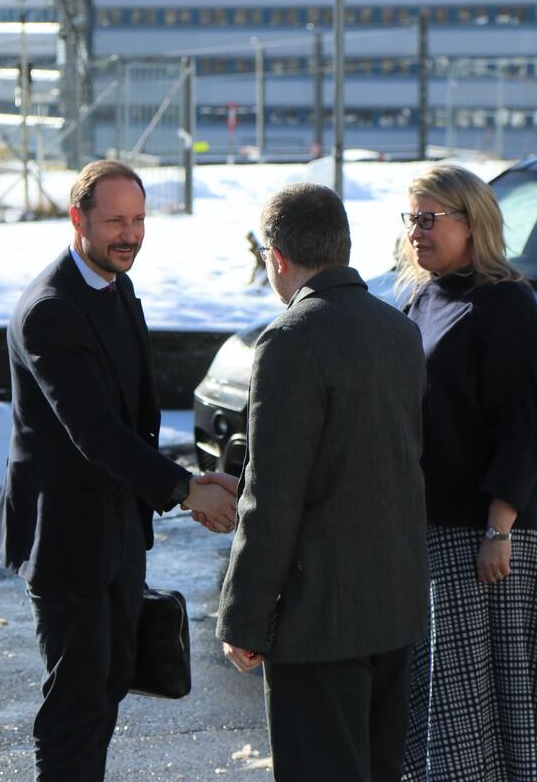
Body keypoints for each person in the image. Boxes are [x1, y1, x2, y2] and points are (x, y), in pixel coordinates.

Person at [0, 160, 238, 782]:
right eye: (115, 222)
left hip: (118, 527)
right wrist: (185, 490)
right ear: (78, 219)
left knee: (108, 687)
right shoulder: (51, 309)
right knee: (75, 703)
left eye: (139, 220)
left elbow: (132, 422)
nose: (130, 235)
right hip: (67, 537)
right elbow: (93, 430)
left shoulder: (116, 285)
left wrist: (189, 481)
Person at [215, 183, 430, 782]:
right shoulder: (400, 331)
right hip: (394, 607)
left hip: (319, 622)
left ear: (276, 258)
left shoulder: (289, 340)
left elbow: (271, 495)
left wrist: (244, 617)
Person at [397, 164, 537, 781]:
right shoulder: (424, 296)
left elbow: (526, 424)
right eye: (412, 219)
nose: (417, 232)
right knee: (447, 710)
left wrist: (499, 526)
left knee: (494, 711)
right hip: (432, 530)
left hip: (486, 539)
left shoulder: (506, 304)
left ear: (471, 223)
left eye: (430, 219)